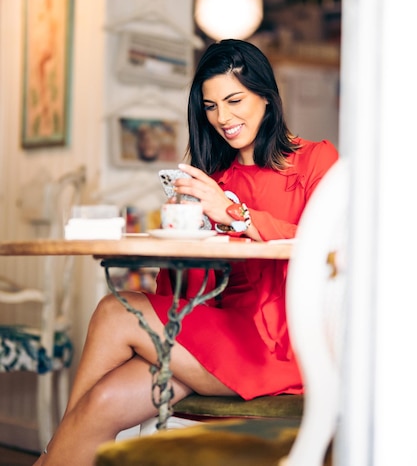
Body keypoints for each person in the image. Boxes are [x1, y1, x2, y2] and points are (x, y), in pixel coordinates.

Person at [34, 39, 338, 466]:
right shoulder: (216, 179)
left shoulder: (314, 160)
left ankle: (47, 457)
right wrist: (184, 233)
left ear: (266, 96)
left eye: (234, 100)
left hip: (279, 347)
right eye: (211, 107)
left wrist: (233, 213)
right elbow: (188, 288)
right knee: (100, 402)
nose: (223, 118)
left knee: (112, 311)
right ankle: (51, 457)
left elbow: (326, 247)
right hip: (218, 337)